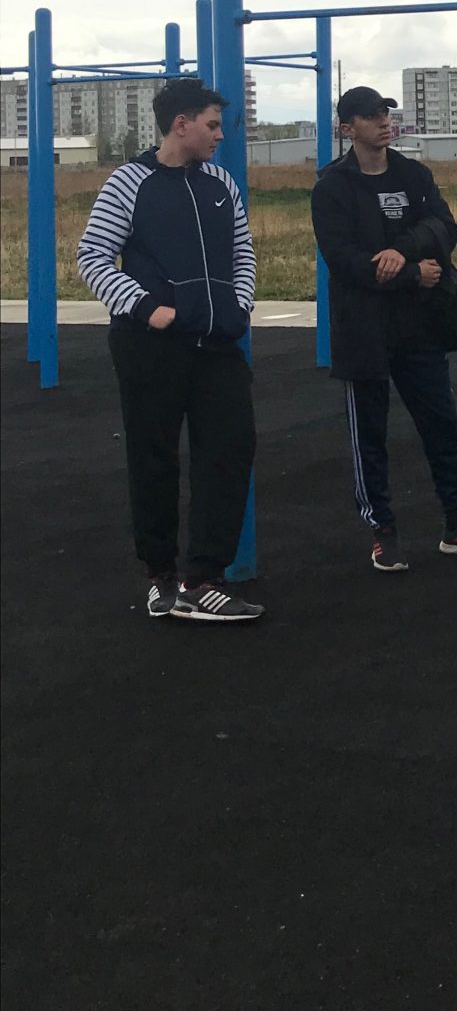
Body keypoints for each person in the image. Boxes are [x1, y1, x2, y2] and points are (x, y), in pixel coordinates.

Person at [75, 79, 263, 623]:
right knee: (153, 458)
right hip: (150, 345)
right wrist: (145, 308)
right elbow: (93, 256)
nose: (219, 136)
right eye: (212, 125)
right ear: (181, 125)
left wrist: (240, 305)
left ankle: (203, 580)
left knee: (230, 450)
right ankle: (160, 575)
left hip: (217, 342)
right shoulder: (129, 182)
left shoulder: (221, 184)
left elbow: (242, 252)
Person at [310, 88, 457, 573]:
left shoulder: (414, 175)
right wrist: (413, 272)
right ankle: (383, 532)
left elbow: (444, 227)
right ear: (347, 128)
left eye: (385, 113)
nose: (383, 121)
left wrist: (402, 250)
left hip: (419, 325)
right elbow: (344, 260)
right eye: (371, 115)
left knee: (442, 424)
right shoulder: (332, 187)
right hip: (364, 329)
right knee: (369, 435)